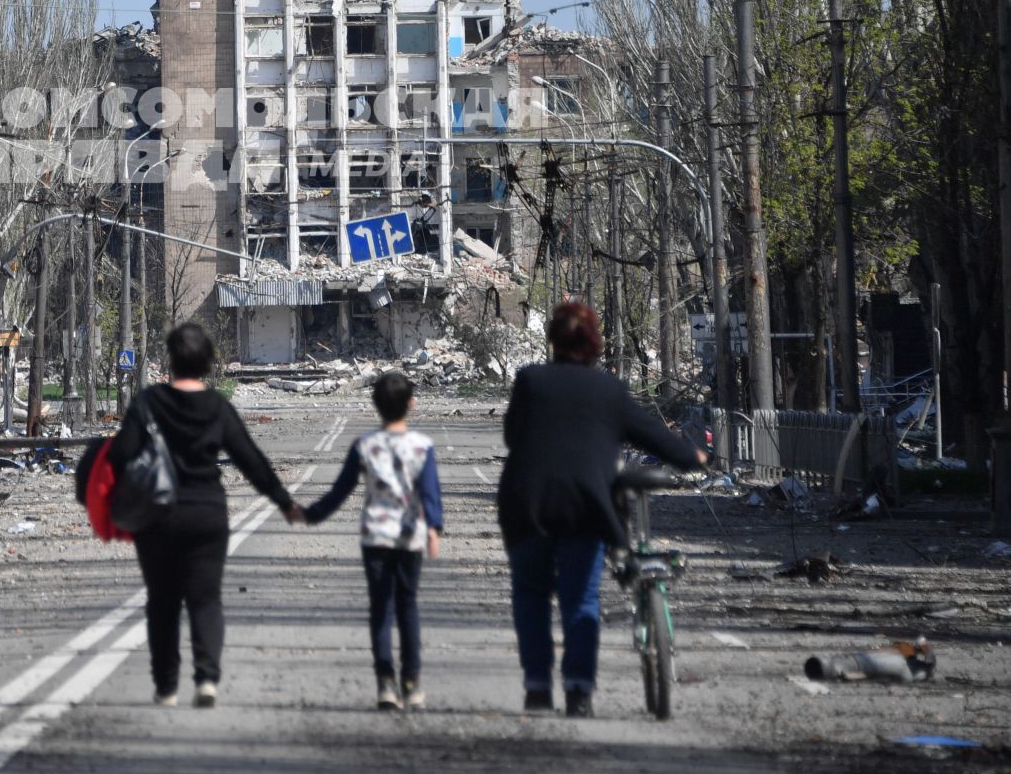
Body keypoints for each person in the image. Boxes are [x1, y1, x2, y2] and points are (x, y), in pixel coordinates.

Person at [496, 301, 707, 719]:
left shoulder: (530, 381)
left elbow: (511, 436)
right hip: (585, 507)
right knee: (581, 601)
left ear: (553, 340)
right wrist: (692, 457)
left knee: (531, 595)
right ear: (594, 343)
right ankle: (578, 692)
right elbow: (652, 436)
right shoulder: (608, 390)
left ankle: (537, 688)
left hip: (528, 502)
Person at [108, 322, 300, 708]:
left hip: (157, 517)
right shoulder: (217, 407)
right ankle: (207, 678)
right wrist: (284, 501)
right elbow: (251, 460)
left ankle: (166, 687)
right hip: (206, 515)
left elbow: (120, 455)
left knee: (162, 601)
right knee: (206, 599)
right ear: (207, 362)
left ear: (172, 360)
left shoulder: (148, 402)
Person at [302, 370, 444, 711]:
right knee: (407, 607)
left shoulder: (364, 445)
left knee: (380, 608)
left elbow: (339, 491)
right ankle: (411, 681)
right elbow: (430, 494)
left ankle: (385, 683)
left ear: (374, 404)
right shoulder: (422, 447)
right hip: (409, 538)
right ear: (411, 404)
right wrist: (434, 530)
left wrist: (310, 514)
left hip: (375, 538)